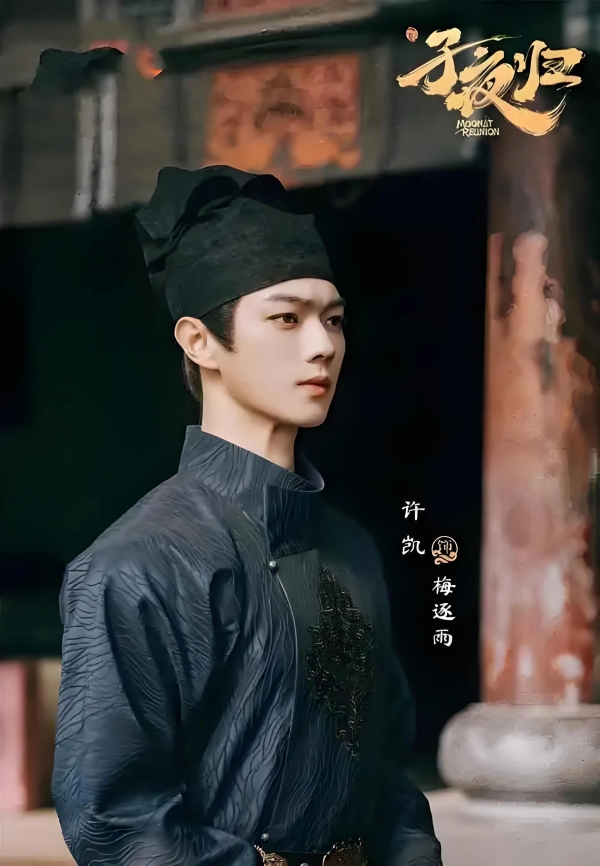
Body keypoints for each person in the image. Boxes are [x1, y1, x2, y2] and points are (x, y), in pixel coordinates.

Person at [52, 165, 443, 866]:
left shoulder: (352, 548)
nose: (322, 345)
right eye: (286, 318)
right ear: (199, 341)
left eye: (333, 319)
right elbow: (116, 821)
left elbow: (388, 773)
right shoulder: (136, 566)